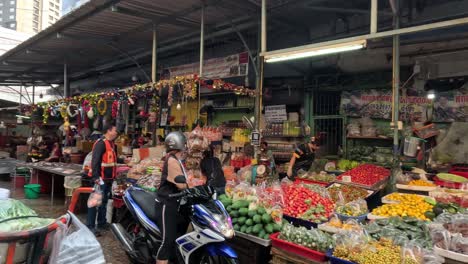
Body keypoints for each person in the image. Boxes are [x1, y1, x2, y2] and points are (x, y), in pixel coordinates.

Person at [154, 131, 190, 264]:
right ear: (179, 145)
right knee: (167, 241)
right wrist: (191, 187)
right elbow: (181, 185)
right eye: (184, 145)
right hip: (166, 204)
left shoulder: (174, 159)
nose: (186, 148)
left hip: (174, 202)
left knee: (175, 236)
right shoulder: (172, 161)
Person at [86, 123, 124, 236]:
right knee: (95, 202)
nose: (117, 133)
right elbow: (95, 161)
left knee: (104, 202)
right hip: (100, 179)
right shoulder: (101, 144)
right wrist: (96, 177)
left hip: (108, 179)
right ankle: (90, 226)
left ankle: (102, 222)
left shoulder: (112, 145)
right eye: (115, 130)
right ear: (109, 130)